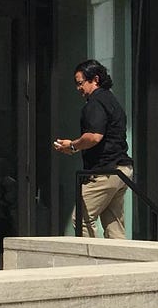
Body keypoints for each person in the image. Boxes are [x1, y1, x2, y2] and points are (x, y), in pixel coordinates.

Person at [52, 59, 132, 239]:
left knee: (81, 218)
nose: (78, 88)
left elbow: (94, 136)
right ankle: (119, 258)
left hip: (105, 170)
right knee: (114, 225)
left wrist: (72, 146)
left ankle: (88, 256)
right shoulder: (111, 100)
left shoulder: (95, 102)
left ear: (95, 79)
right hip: (121, 170)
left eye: (80, 83)